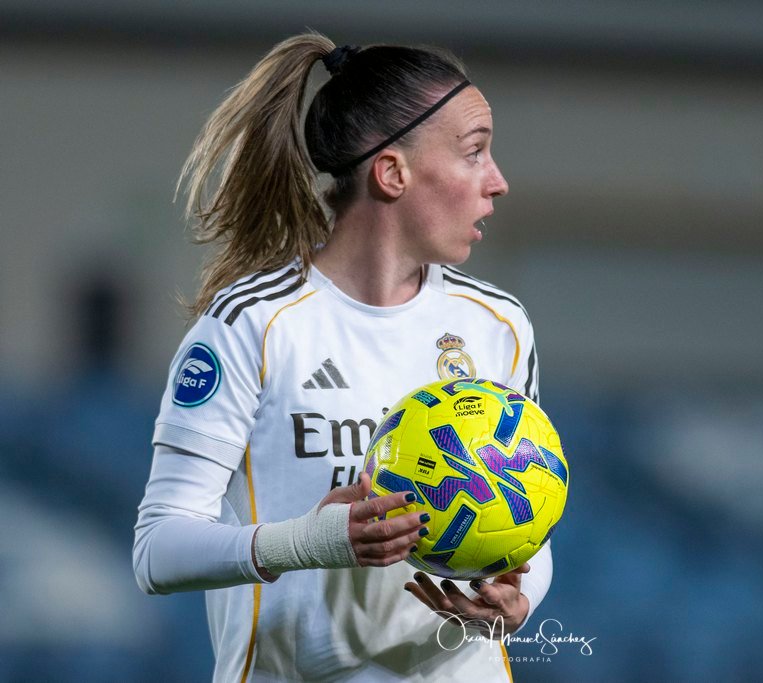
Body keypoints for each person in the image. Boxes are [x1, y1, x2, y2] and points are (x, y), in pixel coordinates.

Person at [133, 33, 551, 682]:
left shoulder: (497, 324)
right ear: (392, 173)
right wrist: (312, 540)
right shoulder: (253, 324)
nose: (497, 182)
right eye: (474, 153)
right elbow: (157, 551)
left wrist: (517, 599)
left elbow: (532, 524)